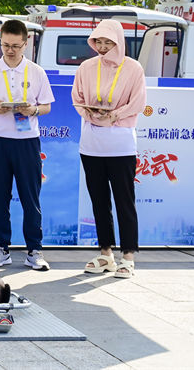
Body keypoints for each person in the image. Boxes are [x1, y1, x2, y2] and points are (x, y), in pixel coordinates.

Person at [0, 19, 54, 271]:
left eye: (16, 45)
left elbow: (47, 106)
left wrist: (33, 109)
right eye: (6, 45)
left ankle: (34, 250)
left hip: (27, 142)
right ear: (0, 42)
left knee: (31, 197)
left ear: (25, 44)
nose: (10, 50)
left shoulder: (36, 72)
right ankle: (1, 248)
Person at [73, 20, 146, 279]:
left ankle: (128, 256)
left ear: (118, 42)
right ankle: (106, 254)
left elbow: (138, 102)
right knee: (99, 201)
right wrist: (92, 114)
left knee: (124, 200)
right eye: (98, 42)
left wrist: (114, 115)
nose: (102, 48)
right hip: (91, 143)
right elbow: (77, 98)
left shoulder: (133, 68)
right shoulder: (85, 67)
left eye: (108, 42)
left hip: (121, 142)